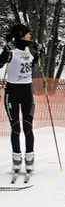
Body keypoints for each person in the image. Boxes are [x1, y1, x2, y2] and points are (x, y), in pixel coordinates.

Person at [0, 24, 43, 173]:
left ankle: (30, 159)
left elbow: (30, 66)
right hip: (12, 91)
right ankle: (16, 159)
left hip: (27, 91)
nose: (30, 36)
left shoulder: (27, 49)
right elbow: (0, 63)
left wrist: (38, 53)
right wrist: (6, 50)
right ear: (21, 35)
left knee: (28, 126)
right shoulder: (12, 50)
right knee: (15, 127)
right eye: (27, 33)